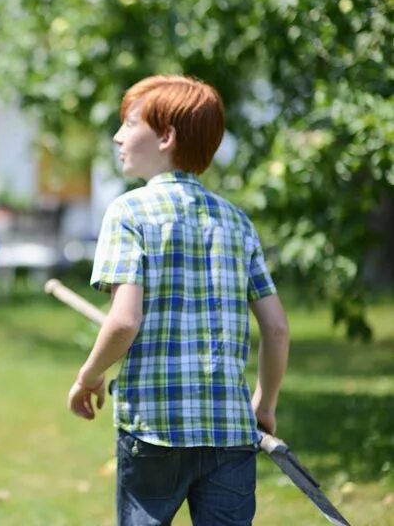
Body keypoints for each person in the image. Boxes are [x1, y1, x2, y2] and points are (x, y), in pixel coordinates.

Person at [68, 75, 290, 526]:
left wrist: (88, 377)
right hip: (229, 430)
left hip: (155, 430)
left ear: (166, 137)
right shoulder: (237, 222)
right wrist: (263, 405)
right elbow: (277, 327)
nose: (118, 135)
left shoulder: (128, 213)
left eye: (130, 123)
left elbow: (124, 322)